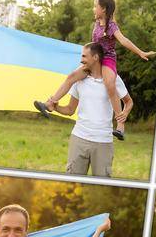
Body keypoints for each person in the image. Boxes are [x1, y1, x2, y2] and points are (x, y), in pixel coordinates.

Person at [37, 0, 154, 142]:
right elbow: (94, 44)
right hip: (95, 59)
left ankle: (120, 124)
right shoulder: (97, 23)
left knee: (110, 85)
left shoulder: (111, 26)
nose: (93, 8)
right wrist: (87, 57)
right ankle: (50, 102)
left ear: (103, 9)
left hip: (108, 59)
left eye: (95, 6)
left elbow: (123, 40)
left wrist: (140, 52)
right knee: (71, 77)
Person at [41, 43, 132, 179]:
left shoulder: (113, 79)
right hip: (79, 138)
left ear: (95, 57)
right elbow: (70, 109)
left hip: (103, 142)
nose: (81, 60)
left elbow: (129, 101)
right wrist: (56, 108)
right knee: (71, 185)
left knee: (102, 187)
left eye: (84, 56)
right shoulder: (79, 80)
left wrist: (124, 113)